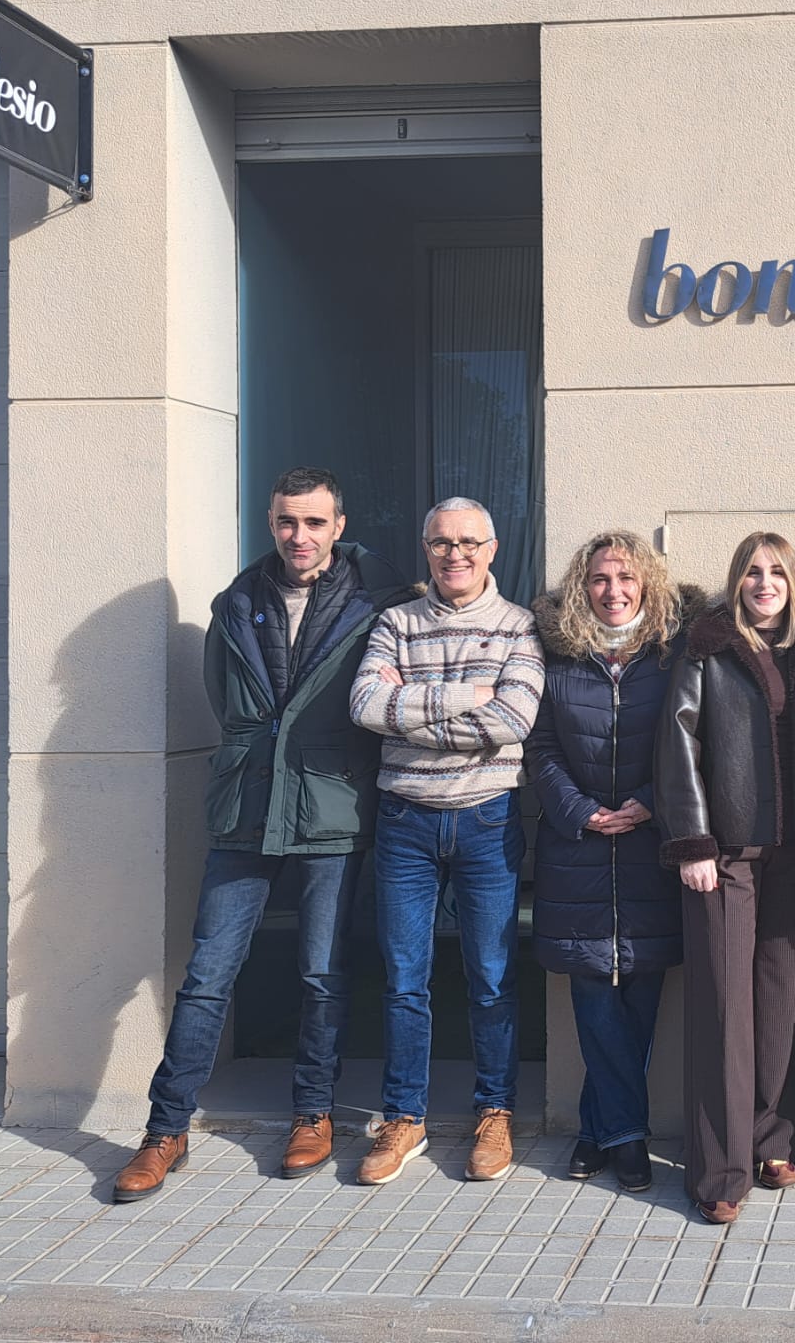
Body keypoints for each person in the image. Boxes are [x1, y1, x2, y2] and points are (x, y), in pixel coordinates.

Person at [113, 468, 408, 1203]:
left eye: (313, 523)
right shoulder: (237, 603)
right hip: (245, 810)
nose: (298, 537)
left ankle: (313, 1114)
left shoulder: (377, 605)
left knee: (320, 973)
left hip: (332, 810)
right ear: (270, 524)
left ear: (338, 526)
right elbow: (226, 702)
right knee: (209, 972)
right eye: (286, 522)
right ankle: (165, 1129)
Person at [348, 497, 545, 1186]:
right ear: (425, 548)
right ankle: (404, 1118)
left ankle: (495, 1111)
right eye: (439, 542)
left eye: (467, 542)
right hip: (404, 822)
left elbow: (516, 717)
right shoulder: (395, 621)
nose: (453, 554)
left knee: (491, 978)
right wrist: (469, 698)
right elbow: (364, 704)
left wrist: (414, 709)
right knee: (405, 980)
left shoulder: (519, 626)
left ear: (491, 549)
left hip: (489, 819)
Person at [527, 531, 705, 1193]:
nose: (614, 590)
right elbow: (539, 747)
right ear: (582, 587)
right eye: (600, 579)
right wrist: (579, 810)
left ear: (647, 584)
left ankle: (595, 1127)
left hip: (650, 847)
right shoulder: (559, 657)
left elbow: (698, 741)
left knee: (643, 993)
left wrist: (648, 804)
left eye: (626, 578)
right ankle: (626, 1138)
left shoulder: (674, 655)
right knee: (594, 994)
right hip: (577, 848)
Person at [655, 532, 795, 1224]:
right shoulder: (707, 649)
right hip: (724, 856)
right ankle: (720, 1172)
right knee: (723, 1010)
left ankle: (774, 1138)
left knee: (784, 1006)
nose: (764, 583)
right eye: (752, 571)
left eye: (776, 572)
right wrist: (692, 842)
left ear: (791, 584)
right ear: (736, 580)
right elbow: (679, 742)